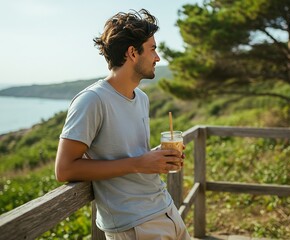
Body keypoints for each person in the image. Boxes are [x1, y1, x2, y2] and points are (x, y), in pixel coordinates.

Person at [55, 9, 191, 240]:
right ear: (132, 53)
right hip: (135, 226)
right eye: (153, 49)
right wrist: (139, 162)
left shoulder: (141, 98)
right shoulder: (92, 100)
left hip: (166, 209)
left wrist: (156, 156)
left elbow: (129, 154)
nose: (158, 57)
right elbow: (65, 169)